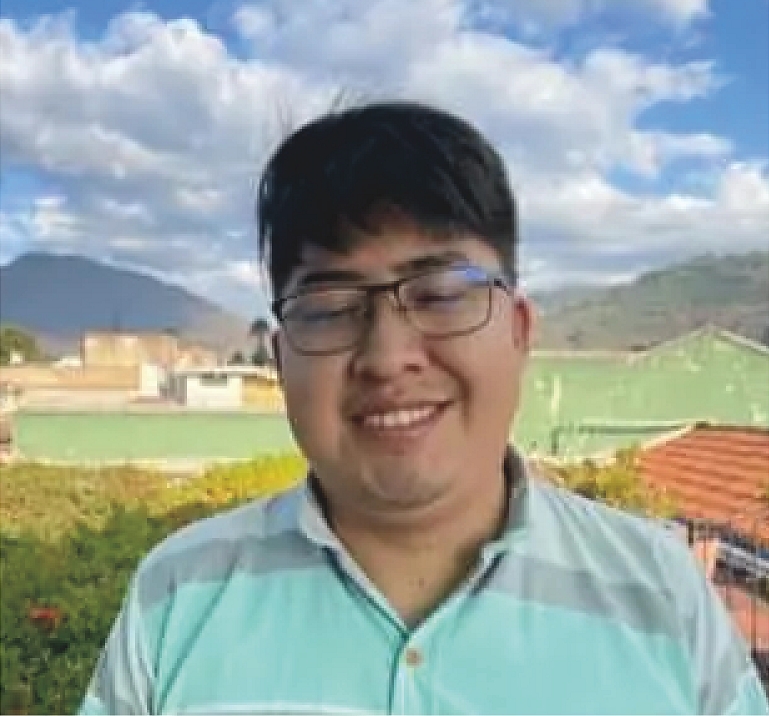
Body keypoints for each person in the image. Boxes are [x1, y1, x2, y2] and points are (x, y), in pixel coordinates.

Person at [80, 102, 769, 714]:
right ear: (281, 356)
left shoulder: (661, 590)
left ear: (519, 331)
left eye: (439, 294)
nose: (387, 356)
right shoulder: (177, 594)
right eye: (330, 307)